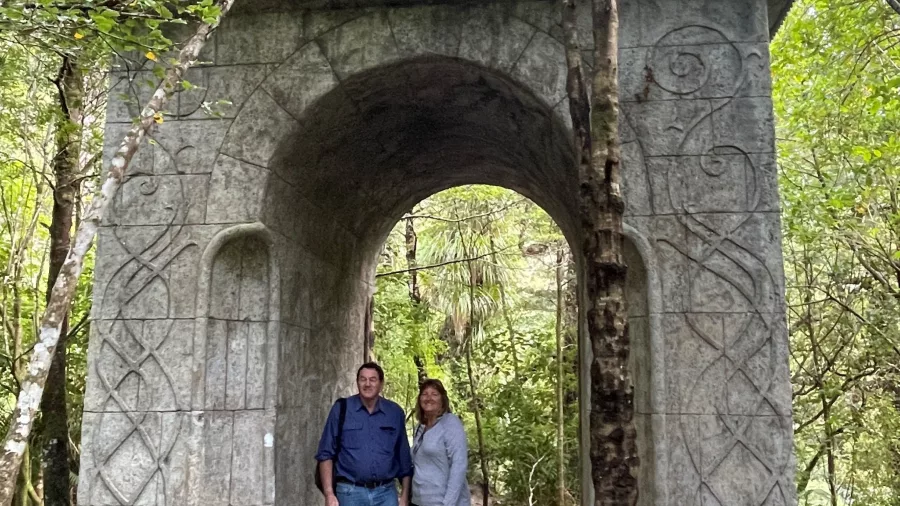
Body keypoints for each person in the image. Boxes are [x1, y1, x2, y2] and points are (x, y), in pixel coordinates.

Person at [316, 362, 413, 506]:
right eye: (363, 379)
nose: (367, 384)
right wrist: (329, 494)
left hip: (386, 494)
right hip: (350, 493)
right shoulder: (341, 409)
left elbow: (403, 457)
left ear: (381, 384)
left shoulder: (394, 413)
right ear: (357, 382)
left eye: (372, 379)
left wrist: (404, 496)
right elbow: (325, 453)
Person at [410, 379, 471, 506]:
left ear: (442, 400)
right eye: (425, 394)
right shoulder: (420, 428)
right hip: (418, 501)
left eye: (434, 394)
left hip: (442, 502)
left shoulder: (451, 423)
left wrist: (448, 503)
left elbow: (459, 465)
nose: (429, 398)